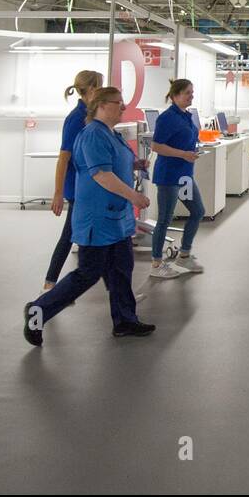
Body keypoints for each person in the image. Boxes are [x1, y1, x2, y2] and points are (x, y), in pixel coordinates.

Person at [23, 87, 155, 343]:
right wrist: (134, 196)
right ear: (102, 106)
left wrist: (135, 165)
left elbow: (114, 164)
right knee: (87, 274)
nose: (123, 107)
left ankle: (125, 320)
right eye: (118, 103)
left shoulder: (111, 134)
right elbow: (101, 175)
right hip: (97, 218)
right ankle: (38, 310)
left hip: (116, 219)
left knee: (121, 270)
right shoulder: (93, 135)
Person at [41, 69, 102, 292]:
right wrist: (58, 193)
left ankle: (51, 285)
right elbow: (63, 158)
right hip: (78, 188)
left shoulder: (92, 115)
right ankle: (49, 286)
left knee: (83, 237)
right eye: (101, 85)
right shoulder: (76, 119)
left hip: (91, 186)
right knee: (68, 236)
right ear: (92, 89)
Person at [148, 78, 206, 278]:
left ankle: (184, 255)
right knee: (164, 218)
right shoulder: (167, 118)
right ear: (175, 96)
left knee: (197, 211)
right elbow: (157, 146)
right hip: (169, 176)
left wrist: (193, 150)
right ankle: (156, 263)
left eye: (192, 92)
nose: (191, 96)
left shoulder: (186, 116)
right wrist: (183, 154)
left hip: (185, 175)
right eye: (187, 93)